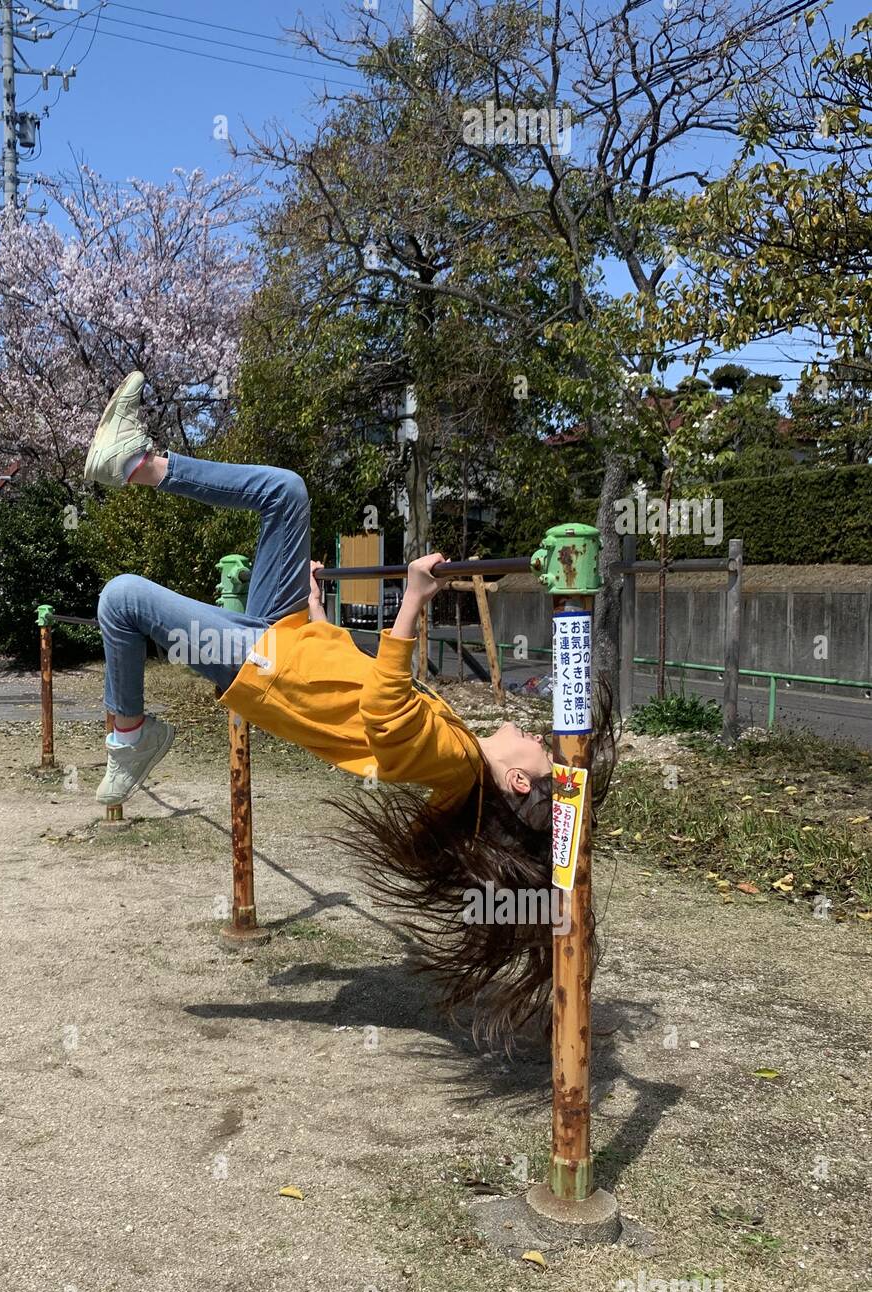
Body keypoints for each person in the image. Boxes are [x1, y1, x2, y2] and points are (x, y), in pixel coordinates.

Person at [85, 372, 612, 1037]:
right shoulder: (453, 753)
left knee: (122, 599)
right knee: (285, 492)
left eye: (538, 755)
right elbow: (353, 678)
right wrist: (315, 609)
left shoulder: (450, 761)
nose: (537, 741)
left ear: (513, 780)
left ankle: (130, 738)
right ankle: (138, 461)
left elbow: (382, 709)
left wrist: (415, 596)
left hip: (271, 669)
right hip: (293, 637)